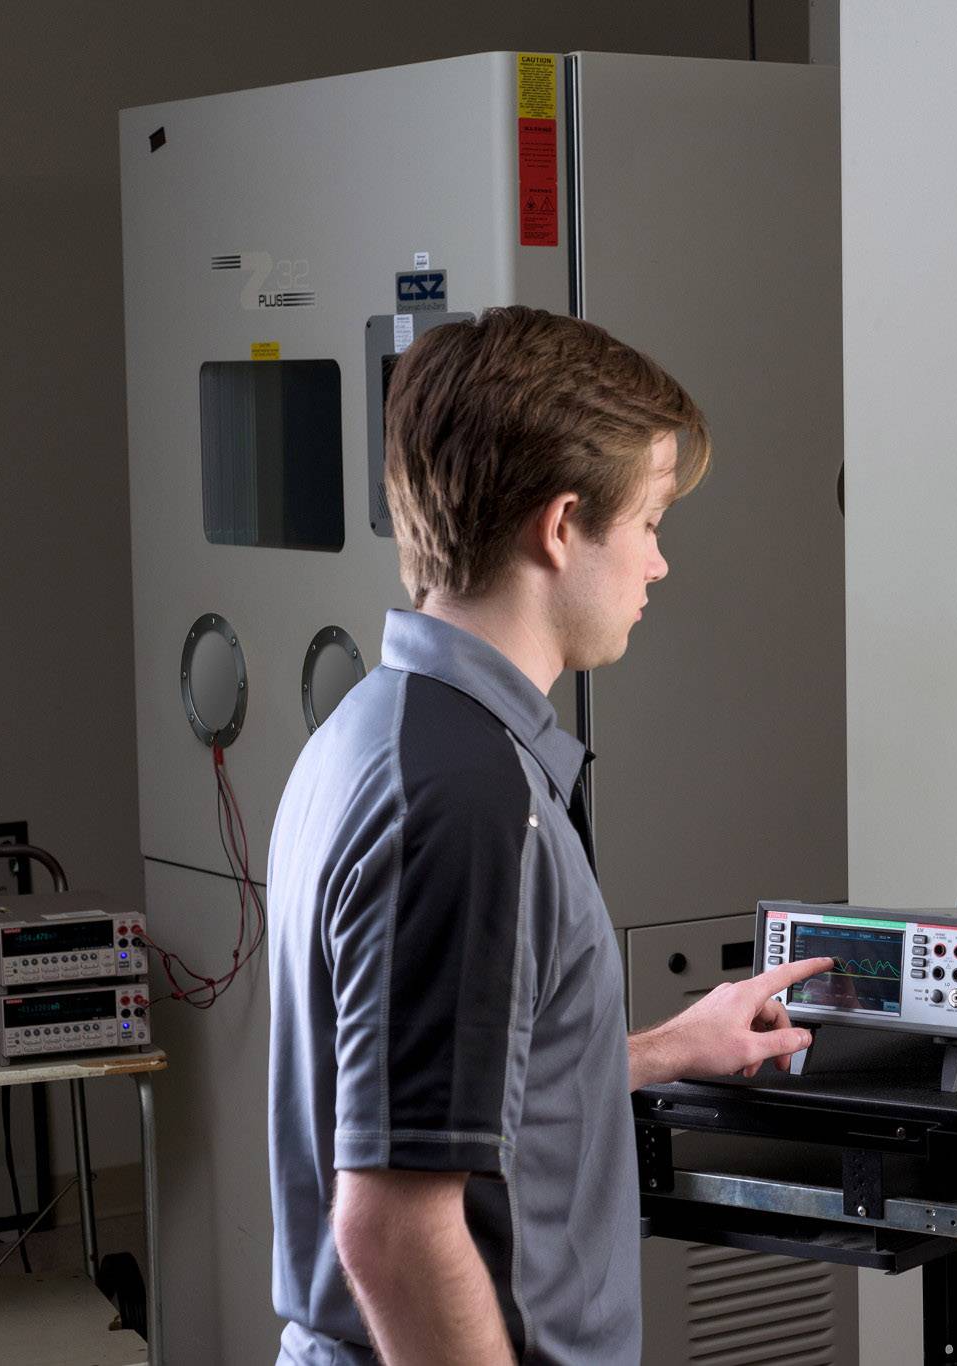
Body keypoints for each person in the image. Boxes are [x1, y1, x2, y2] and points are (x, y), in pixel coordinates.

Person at [266, 306, 833, 1365]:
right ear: (563, 525)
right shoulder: (464, 798)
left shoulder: (373, 731)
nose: (659, 565)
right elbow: (390, 1226)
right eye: (652, 521)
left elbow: (425, 1097)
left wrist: (666, 1048)